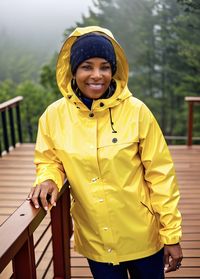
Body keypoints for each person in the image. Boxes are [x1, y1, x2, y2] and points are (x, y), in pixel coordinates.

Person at [28, 26, 183, 279]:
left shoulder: (137, 112)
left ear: (114, 70)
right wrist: (47, 179)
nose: (97, 75)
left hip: (143, 235)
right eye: (87, 66)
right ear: (73, 70)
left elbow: (161, 176)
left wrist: (171, 235)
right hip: (96, 239)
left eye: (105, 67)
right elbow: (49, 160)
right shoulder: (53, 116)